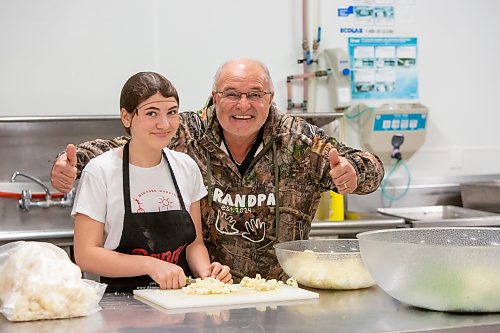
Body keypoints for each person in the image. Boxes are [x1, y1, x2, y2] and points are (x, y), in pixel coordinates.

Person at [53, 59, 384, 282]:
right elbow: (126, 145)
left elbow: (369, 165)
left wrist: (355, 171)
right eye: (232, 94)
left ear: (270, 98)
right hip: (206, 295)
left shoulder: (298, 140)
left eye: (255, 95)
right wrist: (75, 163)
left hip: (281, 292)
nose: (243, 105)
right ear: (214, 98)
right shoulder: (189, 132)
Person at [71, 72, 231, 292]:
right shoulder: (100, 172)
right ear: (126, 117)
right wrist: (151, 265)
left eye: (172, 112)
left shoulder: (186, 167)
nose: (164, 124)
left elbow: (194, 244)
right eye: (151, 113)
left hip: (179, 302)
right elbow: (86, 255)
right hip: (121, 307)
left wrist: (206, 274)